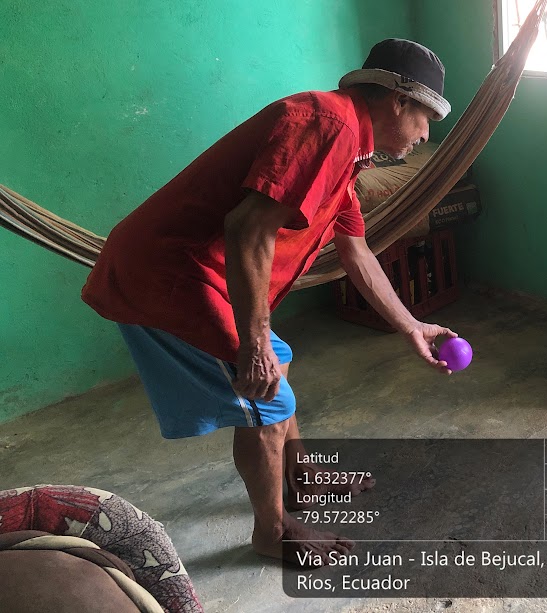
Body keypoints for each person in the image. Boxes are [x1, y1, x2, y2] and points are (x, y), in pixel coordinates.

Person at [80, 38, 457, 565]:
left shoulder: (349, 152)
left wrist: (411, 325)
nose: (425, 135)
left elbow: (356, 253)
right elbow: (247, 228)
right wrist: (253, 340)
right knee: (268, 398)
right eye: (426, 119)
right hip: (169, 274)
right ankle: (272, 531)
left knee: (276, 367)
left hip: (198, 272)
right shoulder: (329, 124)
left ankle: (301, 478)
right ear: (398, 101)